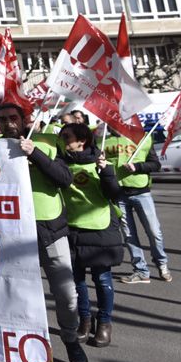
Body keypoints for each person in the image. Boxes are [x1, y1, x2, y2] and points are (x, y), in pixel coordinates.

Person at [0, 103, 88, 362]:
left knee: (66, 293)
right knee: (23, 295)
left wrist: (34, 153)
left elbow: (64, 178)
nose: (8, 122)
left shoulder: (47, 142)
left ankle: (71, 339)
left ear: (23, 119)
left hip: (50, 229)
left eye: (13, 117)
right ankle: (32, 351)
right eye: (2, 119)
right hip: (12, 233)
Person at [59, 123, 125, 348]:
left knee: (102, 279)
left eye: (67, 136)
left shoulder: (101, 160)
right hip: (71, 228)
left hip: (100, 228)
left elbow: (115, 194)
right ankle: (85, 321)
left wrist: (106, 171)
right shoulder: (60, 163)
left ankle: (105, 322)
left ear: (82, 140)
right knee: (77, 281)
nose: (63, 140)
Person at [102, 129, 170, 284]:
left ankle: (162, 264)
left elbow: (155, 164)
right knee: (128, 235)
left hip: (141, 192)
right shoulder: (103, 140)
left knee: (154, 231)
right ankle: (141, 271)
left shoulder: (143, 138)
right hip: (118, 193)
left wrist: (138, 167)